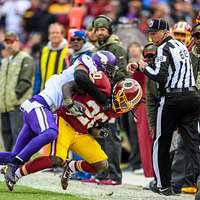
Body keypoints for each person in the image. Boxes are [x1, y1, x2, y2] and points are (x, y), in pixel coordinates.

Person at [3, 73, 142, 191]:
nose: (122, 106)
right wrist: (69, 101)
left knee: (101, 164)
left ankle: (70, 167)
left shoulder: (116, 112)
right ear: (117, 91)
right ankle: (17, 174)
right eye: (122, 101)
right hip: (65, 122)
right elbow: (69, 86)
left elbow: (92, 128)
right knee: (56, 159)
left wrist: (98, 132)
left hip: (81, 133)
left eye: (126, 105)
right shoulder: (101, 85)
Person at [1, 54, 108, 191]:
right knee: (51, 132)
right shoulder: (86, 62)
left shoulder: (89, 81)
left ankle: (14, 162)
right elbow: (80, 77)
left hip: (39, 108)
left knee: (14, 156)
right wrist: (103, 100)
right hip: (40, 105)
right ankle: (15, 164)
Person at [132, 18, 200, 196]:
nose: (152, 37)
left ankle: (163, 185)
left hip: (173, 99)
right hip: (192, 97)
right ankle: (198, 181)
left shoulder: (163, 47)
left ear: (165, 32)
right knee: (192, 143)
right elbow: (169, 68)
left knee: (160, 142)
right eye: (150, 33)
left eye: (154, 33)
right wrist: (143, 68)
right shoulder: (179, 45)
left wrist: (143, 67)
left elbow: (160, 76)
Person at [89, 14, 128, 185]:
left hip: (112, 100)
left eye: (103, 29)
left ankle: (115, 176)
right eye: (97, 30)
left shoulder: (116, 48)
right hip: (99, 100)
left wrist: (104, 77)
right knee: (100, 136)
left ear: (109, 30)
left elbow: (123, 75)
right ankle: (102, 174)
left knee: (112, 137)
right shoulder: (97, 49)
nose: (100, 33)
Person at [0, 32, 35, 151]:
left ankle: (17, 164)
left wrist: (14, 97)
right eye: (7, 42)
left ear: (18, 42)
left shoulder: (25, 59)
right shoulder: (5, 61)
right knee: (6, 136)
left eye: (12, 42)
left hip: (17, 105)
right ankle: (8, 162)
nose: (9, 45)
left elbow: (25, 82)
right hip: (4, 105)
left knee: (18, 135)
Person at [33, 22, 68, 95]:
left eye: (57, 33)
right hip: (44, 93)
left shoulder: (68, 51)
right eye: (52, 33)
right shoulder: (44, 51)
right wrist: (35, 93)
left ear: (63, 35)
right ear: (49, 36)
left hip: (61, 94)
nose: (54, 35)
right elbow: (39, 74)